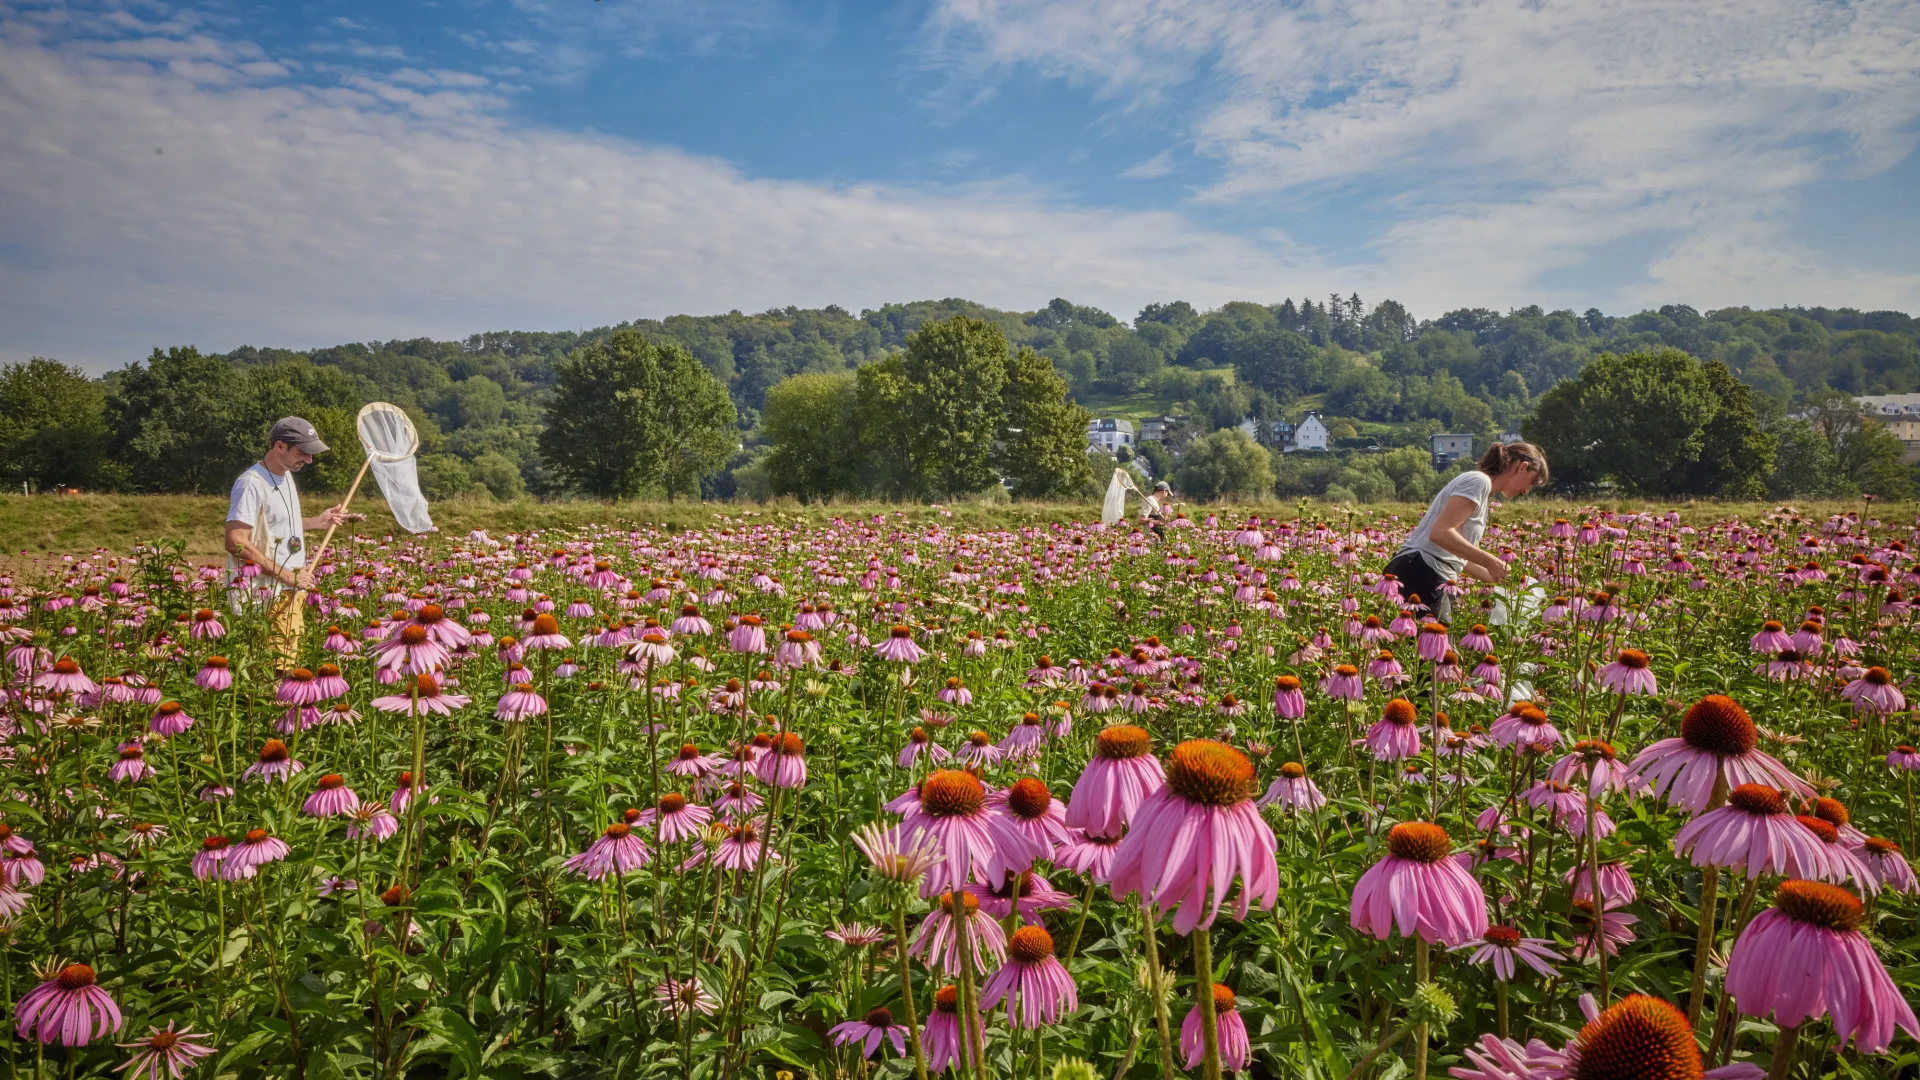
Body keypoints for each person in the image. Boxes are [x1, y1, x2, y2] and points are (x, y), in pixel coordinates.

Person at [1382, 442, 1547, 624]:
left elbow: (1459, 555)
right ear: (1522, 467)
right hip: (1422, 570)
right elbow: (1441, 533)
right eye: (1531, 483)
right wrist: (1491, 561)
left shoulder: (1483, 495)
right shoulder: (1479, 481)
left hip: (1428, 572)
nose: (1525, 491)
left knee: (1427, 648)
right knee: (1436, 648)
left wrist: (1506, 580)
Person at [225, 417, 347, 632]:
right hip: (265, 593)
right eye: (302, 452)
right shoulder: (252, 483)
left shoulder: (286, 475)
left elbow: (277, 524)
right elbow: (236, 541)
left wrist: (317, 522)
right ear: (279, 446)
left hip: (290, 589)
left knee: (288, 660)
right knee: (275, 663)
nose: (309, 460)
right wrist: (287, 575)